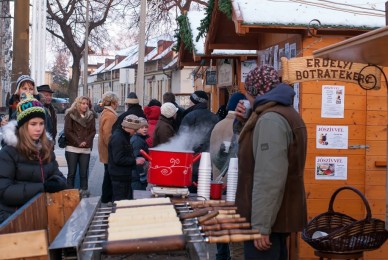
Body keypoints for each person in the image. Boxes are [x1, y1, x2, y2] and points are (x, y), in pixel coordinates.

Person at [234, 65, 308, 259]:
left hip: (267, 221)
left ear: (256, 93)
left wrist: (261, 226)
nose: (247, 99)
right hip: (275, 217)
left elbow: (269, 179)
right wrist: (245, 120)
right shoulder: (280, 112)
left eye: (248, 93)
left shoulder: (270, 120)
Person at [0, 94, 67, 224]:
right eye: (33, 124)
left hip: (41, 214)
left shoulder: (45, 149)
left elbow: (58, 176)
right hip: (13, 218)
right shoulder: (8, 153)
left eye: (41, 123)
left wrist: (59, 183)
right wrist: (42, 188)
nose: (38, 128)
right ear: (23, 126)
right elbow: (4, 192)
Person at [178, 91, 219, 193]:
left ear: (194, 102)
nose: (189, 103)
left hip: (191, 161)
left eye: (190, 101)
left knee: (189, 194)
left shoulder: (189, 116)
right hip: (209, 161)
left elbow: (182, 139)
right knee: (204, 192)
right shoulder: (215, 117)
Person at [64, 96, 96, 198]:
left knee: (84, 173)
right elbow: (68, 131)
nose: (85, 105)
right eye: (83, 103)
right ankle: (69, 195)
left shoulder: (90, 116)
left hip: (85, 148)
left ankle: (84, 193)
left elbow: (93, 131)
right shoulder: (70, 114)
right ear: (78, 104)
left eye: (86, 103)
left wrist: (86, 141)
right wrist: (78, 142)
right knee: (71, 173)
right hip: (72, 147)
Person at [108, 114, 145, 201]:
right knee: (121, 201)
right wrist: (135, 161)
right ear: (129, 127)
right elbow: (118, 159)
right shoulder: (119, 137)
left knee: (124, 200)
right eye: (135, 130)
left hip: (122, 174)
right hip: (119, 176)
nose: (135, 132)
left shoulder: (123, 135)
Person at [97, 91, 119, 205]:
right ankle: (106, 198)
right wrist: (113, 149)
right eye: (117, 101)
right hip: (108, 150)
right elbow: (108, 135)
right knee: (109, 175)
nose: (118, 103)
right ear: (114, 102)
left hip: (105, 149)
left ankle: (106, 197)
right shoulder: (110, 115)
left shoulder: (105, 113)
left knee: (108, 174)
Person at [130, 117, 149, 191]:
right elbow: (137, 159)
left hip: (136, 174)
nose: (145, 129)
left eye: (146, 127)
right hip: (137, 175)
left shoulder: (140, 139)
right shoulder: (138, 141)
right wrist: (142, 176)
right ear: (137, 128)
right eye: (142, 127)